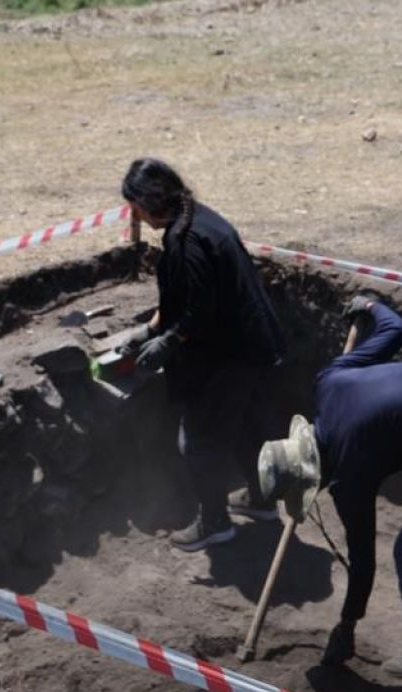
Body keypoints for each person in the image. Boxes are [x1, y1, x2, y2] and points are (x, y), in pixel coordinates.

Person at [258, 295, 402, 681]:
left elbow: (363, 560)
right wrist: (368, 307)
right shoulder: (330, 381)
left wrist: (348, 622)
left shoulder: (350, 473)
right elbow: (396, 328)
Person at [119, 158, 287, 551]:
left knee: (197, 441)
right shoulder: (200, 218)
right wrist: (151, 328)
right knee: (243, 421)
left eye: (135, 206)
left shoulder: (187, 241)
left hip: (231, 352)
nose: (135, 215)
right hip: (250, 342)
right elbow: (187, 299)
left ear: (147, 202)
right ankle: (261, 500)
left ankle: (214, 522)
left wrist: (169, 341)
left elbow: (199, 309)